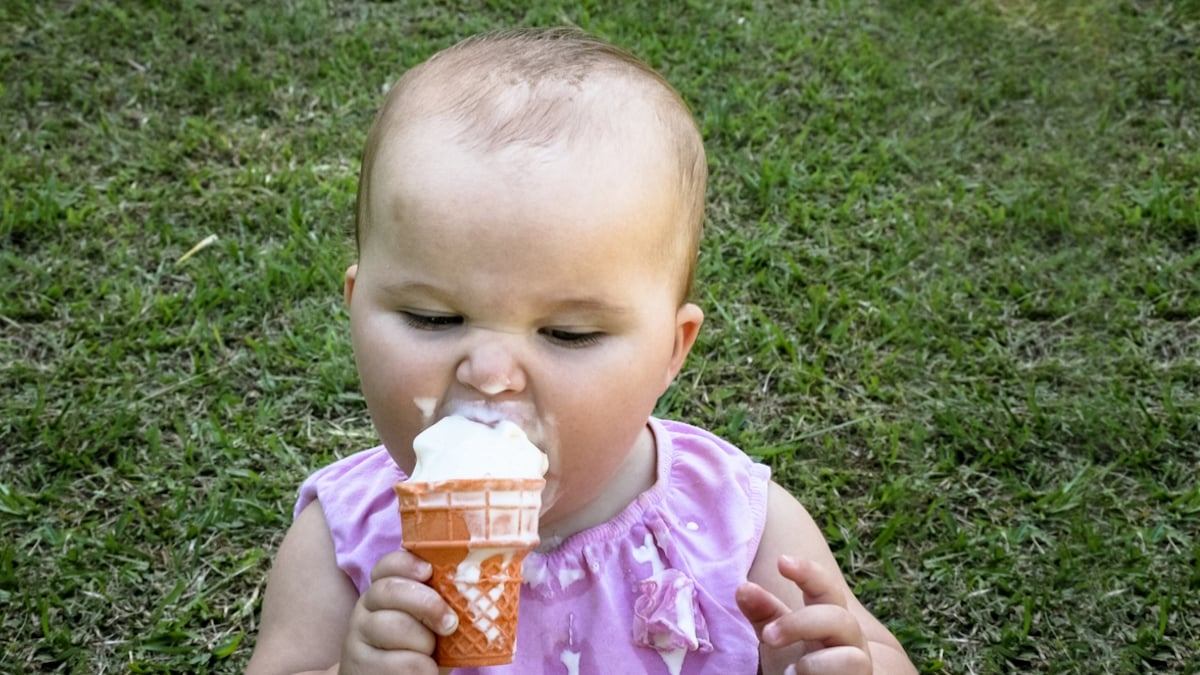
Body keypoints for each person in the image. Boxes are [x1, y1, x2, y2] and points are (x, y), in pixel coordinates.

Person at [246, 27, 916, 675]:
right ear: (357, 307)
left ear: (670, 352)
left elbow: (881, 655)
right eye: (433, 317)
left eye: (569, 333)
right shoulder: (344, 541)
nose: (489, 373)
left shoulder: (739, 526)